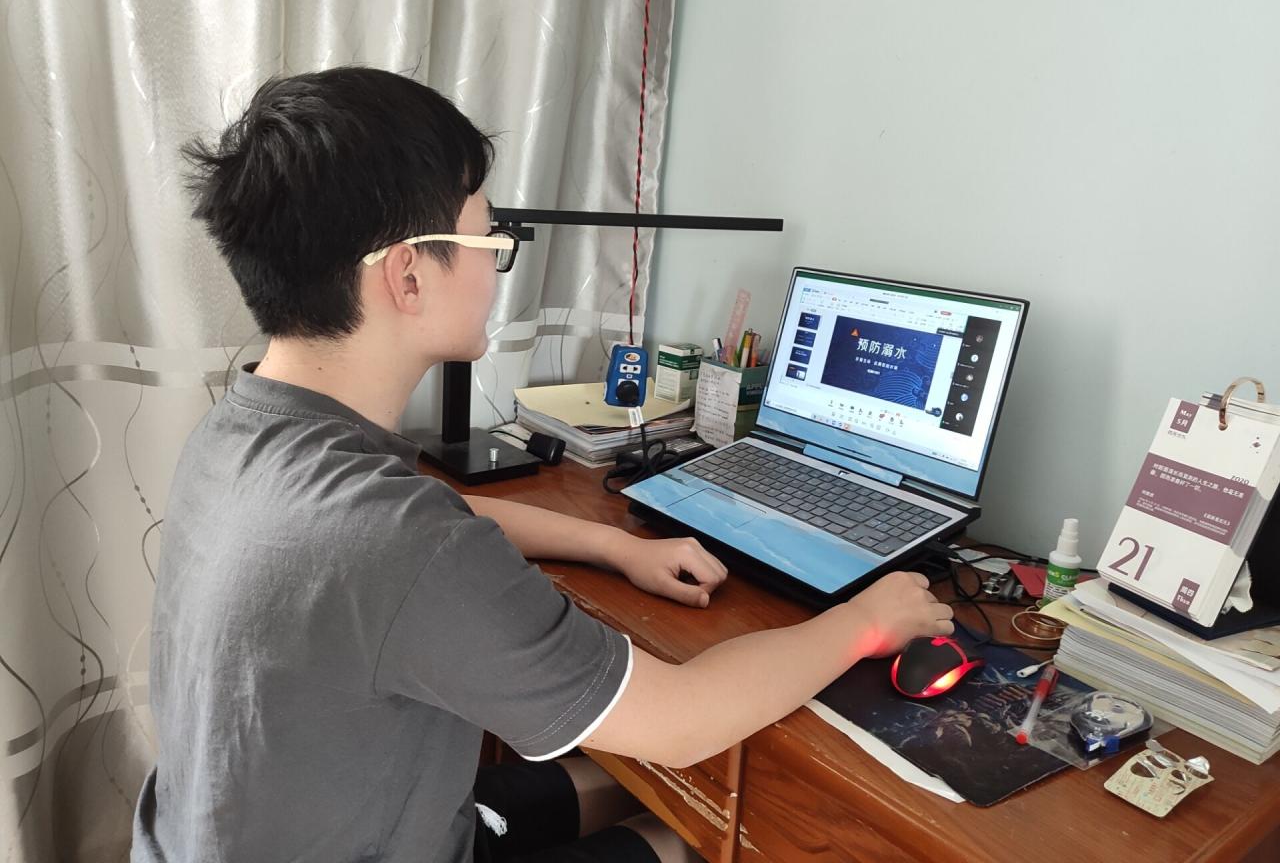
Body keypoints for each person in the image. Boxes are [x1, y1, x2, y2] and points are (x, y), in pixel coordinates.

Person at [132, 66, 954, 863]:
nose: (497, 264)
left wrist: (616, 545)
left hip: (236, 829)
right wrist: (867, 620)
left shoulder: (240, 435)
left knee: (622, 789)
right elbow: (684, 720)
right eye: (490, 238)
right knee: (693, 838)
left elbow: (427, 525)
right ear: (408, 275)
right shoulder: (399, 543)